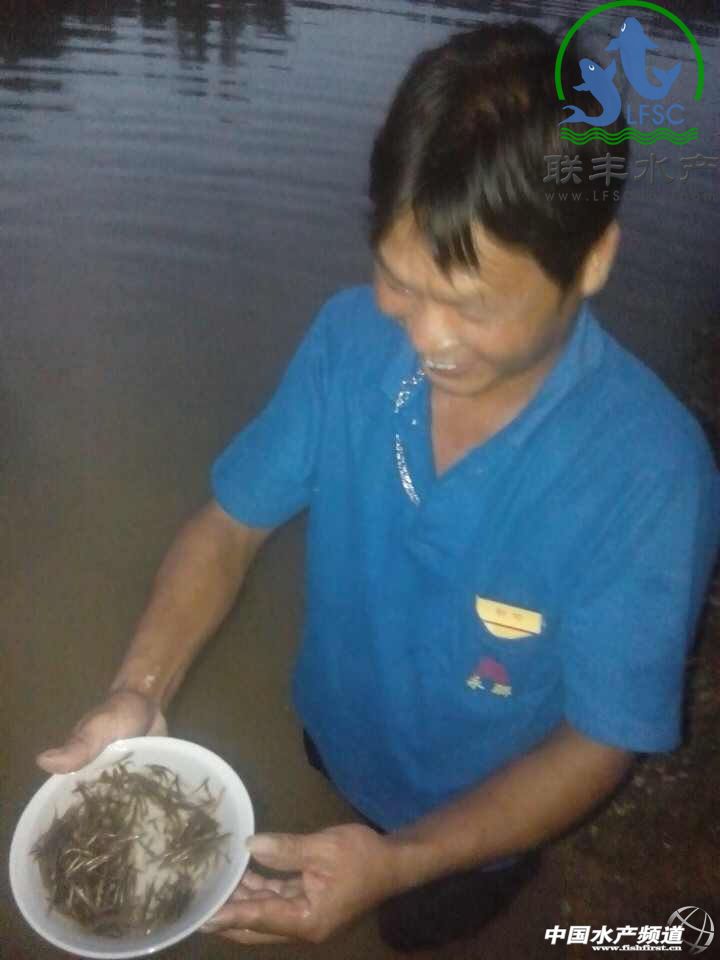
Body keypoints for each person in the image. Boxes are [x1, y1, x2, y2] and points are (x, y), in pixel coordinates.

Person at [36, 22, 719, 951]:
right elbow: (230, 528)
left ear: (592, 260)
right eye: (401, 281)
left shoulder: (652, 474)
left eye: (472, 304)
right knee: (322, 807)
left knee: (424, 924)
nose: (426, 338)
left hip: (476, 815)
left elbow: (600, 742)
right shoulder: (349, 343)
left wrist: (401, 862)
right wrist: (139, 691)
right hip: (334, 733)